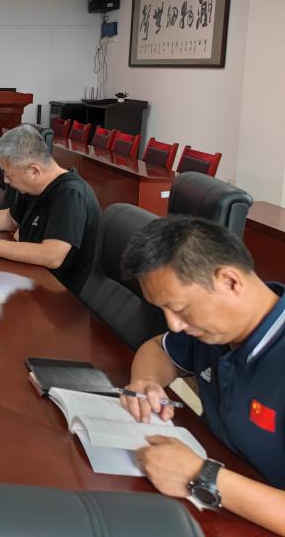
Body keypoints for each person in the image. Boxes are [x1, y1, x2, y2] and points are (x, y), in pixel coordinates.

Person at [118, 217, 285, 535]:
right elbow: (158, 348)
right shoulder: (217, 330)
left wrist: (202, 475)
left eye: (180, 308)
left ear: (230, 282)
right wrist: (146, 382)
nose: (174, 324)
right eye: (164, 311)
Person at [0, 124, 100, 295]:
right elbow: (11, 218)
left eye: (8, 174)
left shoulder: (71, 195)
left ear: (33, 171)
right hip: (30, 276)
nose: (5, 180)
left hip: (58, 294)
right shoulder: (33, 186)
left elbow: (52, 256)